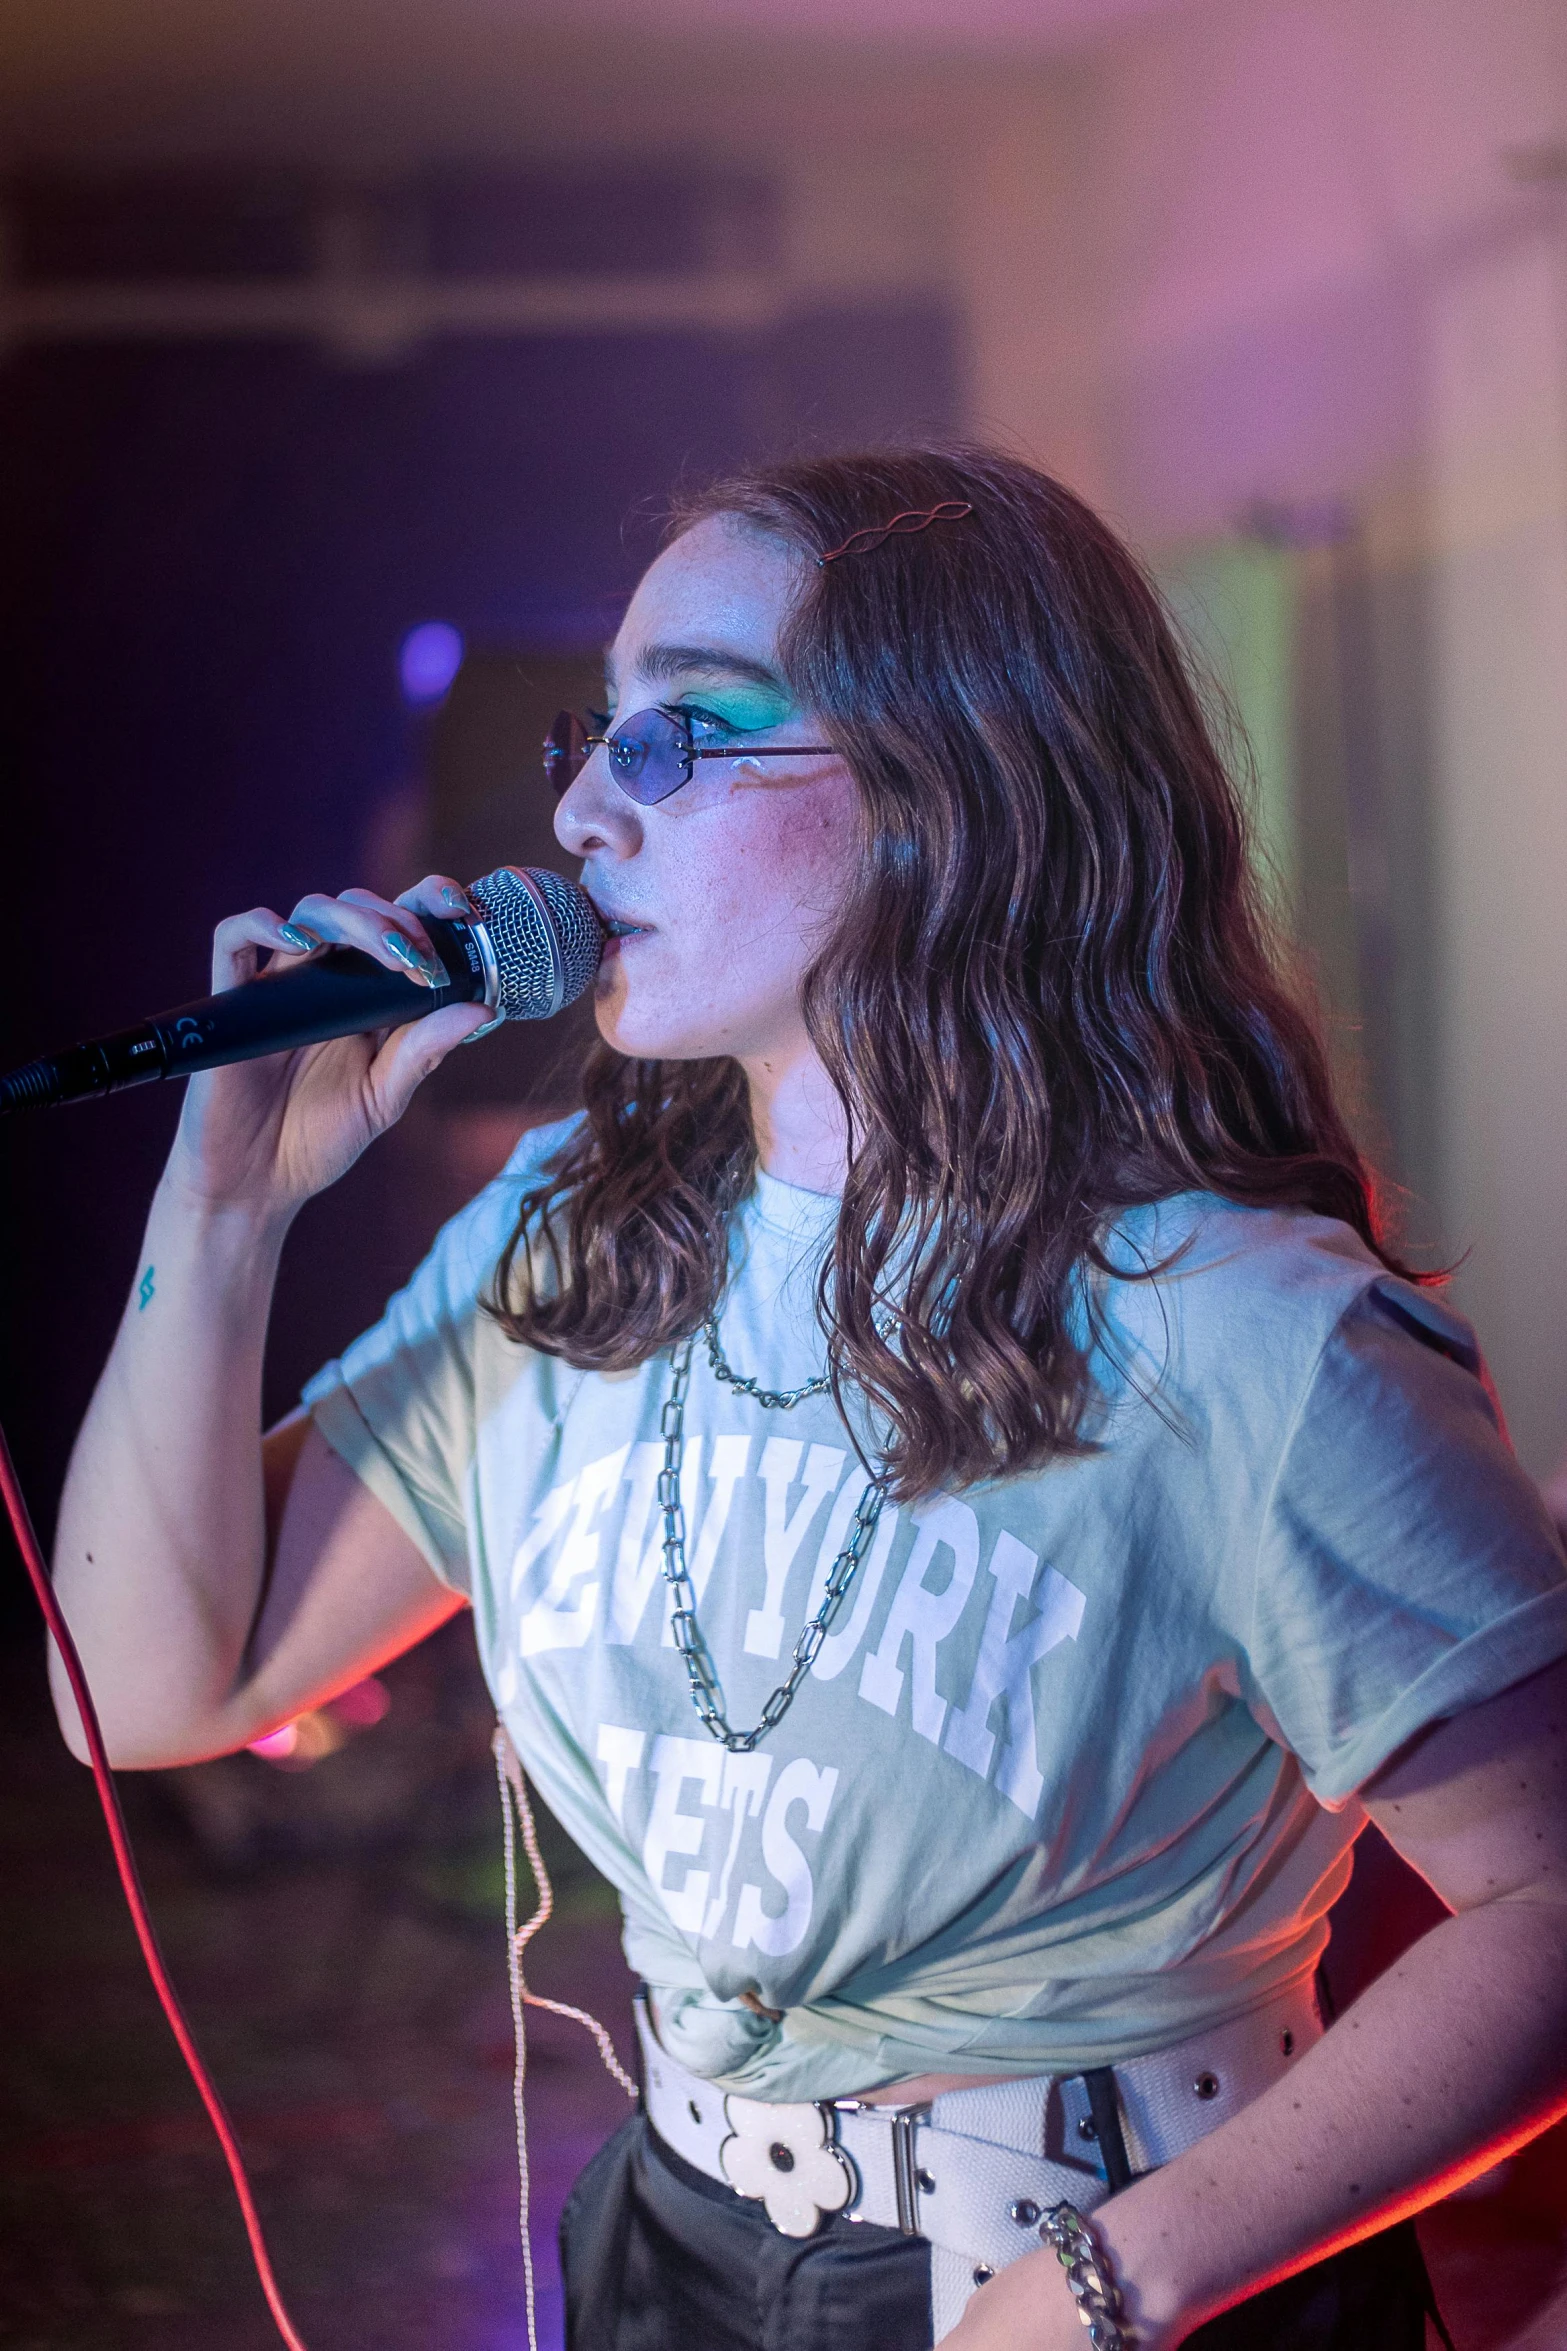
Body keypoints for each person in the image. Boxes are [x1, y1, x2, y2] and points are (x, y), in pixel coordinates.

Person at [49, 446, 1567, 2351]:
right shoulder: (563, 1239)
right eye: (590, 736)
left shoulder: (1240, 1332)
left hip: (1120, 2264)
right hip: (678, 2246)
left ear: (950, 788)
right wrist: (229, 1213)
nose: (586, 805)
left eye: (679, 735)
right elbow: (148, 1692)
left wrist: (1117, 2283)